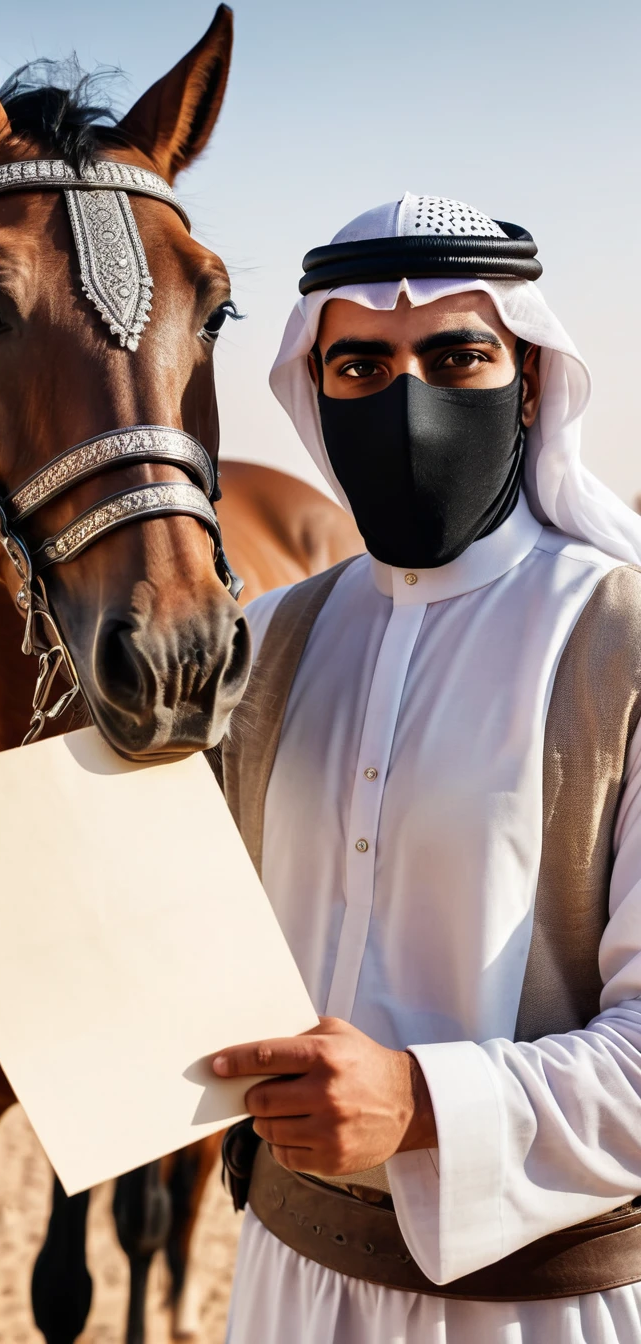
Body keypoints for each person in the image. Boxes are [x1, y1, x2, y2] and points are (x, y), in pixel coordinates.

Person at [211, 193, 641, 1343]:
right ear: (316, 388)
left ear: (532, 379)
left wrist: (419, 1105)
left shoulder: (621, 643)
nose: (405, 398)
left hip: (547, 1310)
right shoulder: (272, 642)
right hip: (285, 1285)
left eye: (456, 356)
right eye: (358, 366)